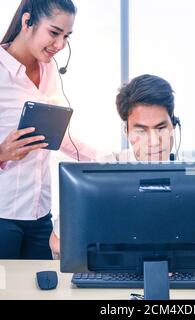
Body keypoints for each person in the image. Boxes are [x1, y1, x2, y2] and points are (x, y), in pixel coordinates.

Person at [0, 0, 101, 259]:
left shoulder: (50, 70)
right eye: (54, 33)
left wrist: (105, 161)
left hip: (40, 215)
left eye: (66, 36)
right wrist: (2, 152)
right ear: (26, 22)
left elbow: (57, 136)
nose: (60, 45)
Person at [49, 73, 181, 255]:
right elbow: (58, 242)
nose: (154, 142)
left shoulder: (191, 177)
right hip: (114, 273)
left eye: (160, 128)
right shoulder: (102, 170)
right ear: (126, 132)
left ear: (173, 125)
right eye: (141, 131)